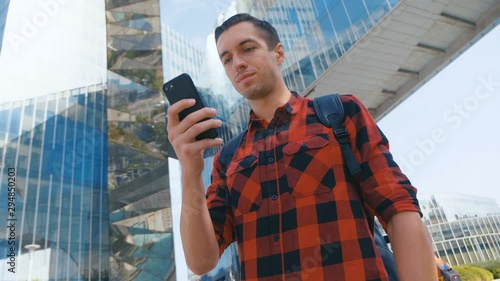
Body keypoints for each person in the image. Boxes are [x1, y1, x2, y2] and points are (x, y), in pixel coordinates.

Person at [167, 13, 438, 281]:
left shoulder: (340, 114)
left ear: (279, 53)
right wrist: (190, 171)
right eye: (227, 59)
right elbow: (201, 261)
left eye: (247, 49)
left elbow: (399, 209)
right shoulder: (229, 157)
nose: (237, 63)